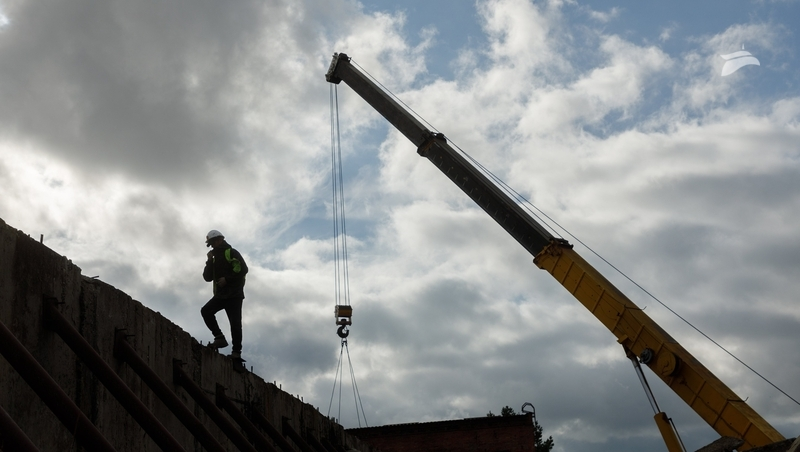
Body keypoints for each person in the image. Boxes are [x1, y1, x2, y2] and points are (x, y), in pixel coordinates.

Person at [201, 229, 248, 359]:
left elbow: (243, 269)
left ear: (220, 240)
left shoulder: (231, 253)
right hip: (221, 295)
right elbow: (207, 277)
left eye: (214, 242)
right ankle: (219, 338)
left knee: (235, 324)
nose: (213, 246)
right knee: (206, 311)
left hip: (234, 295)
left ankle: (236, 353)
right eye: (211, 244)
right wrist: (209, 261)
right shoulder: (214, 259)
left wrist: (227, 279)